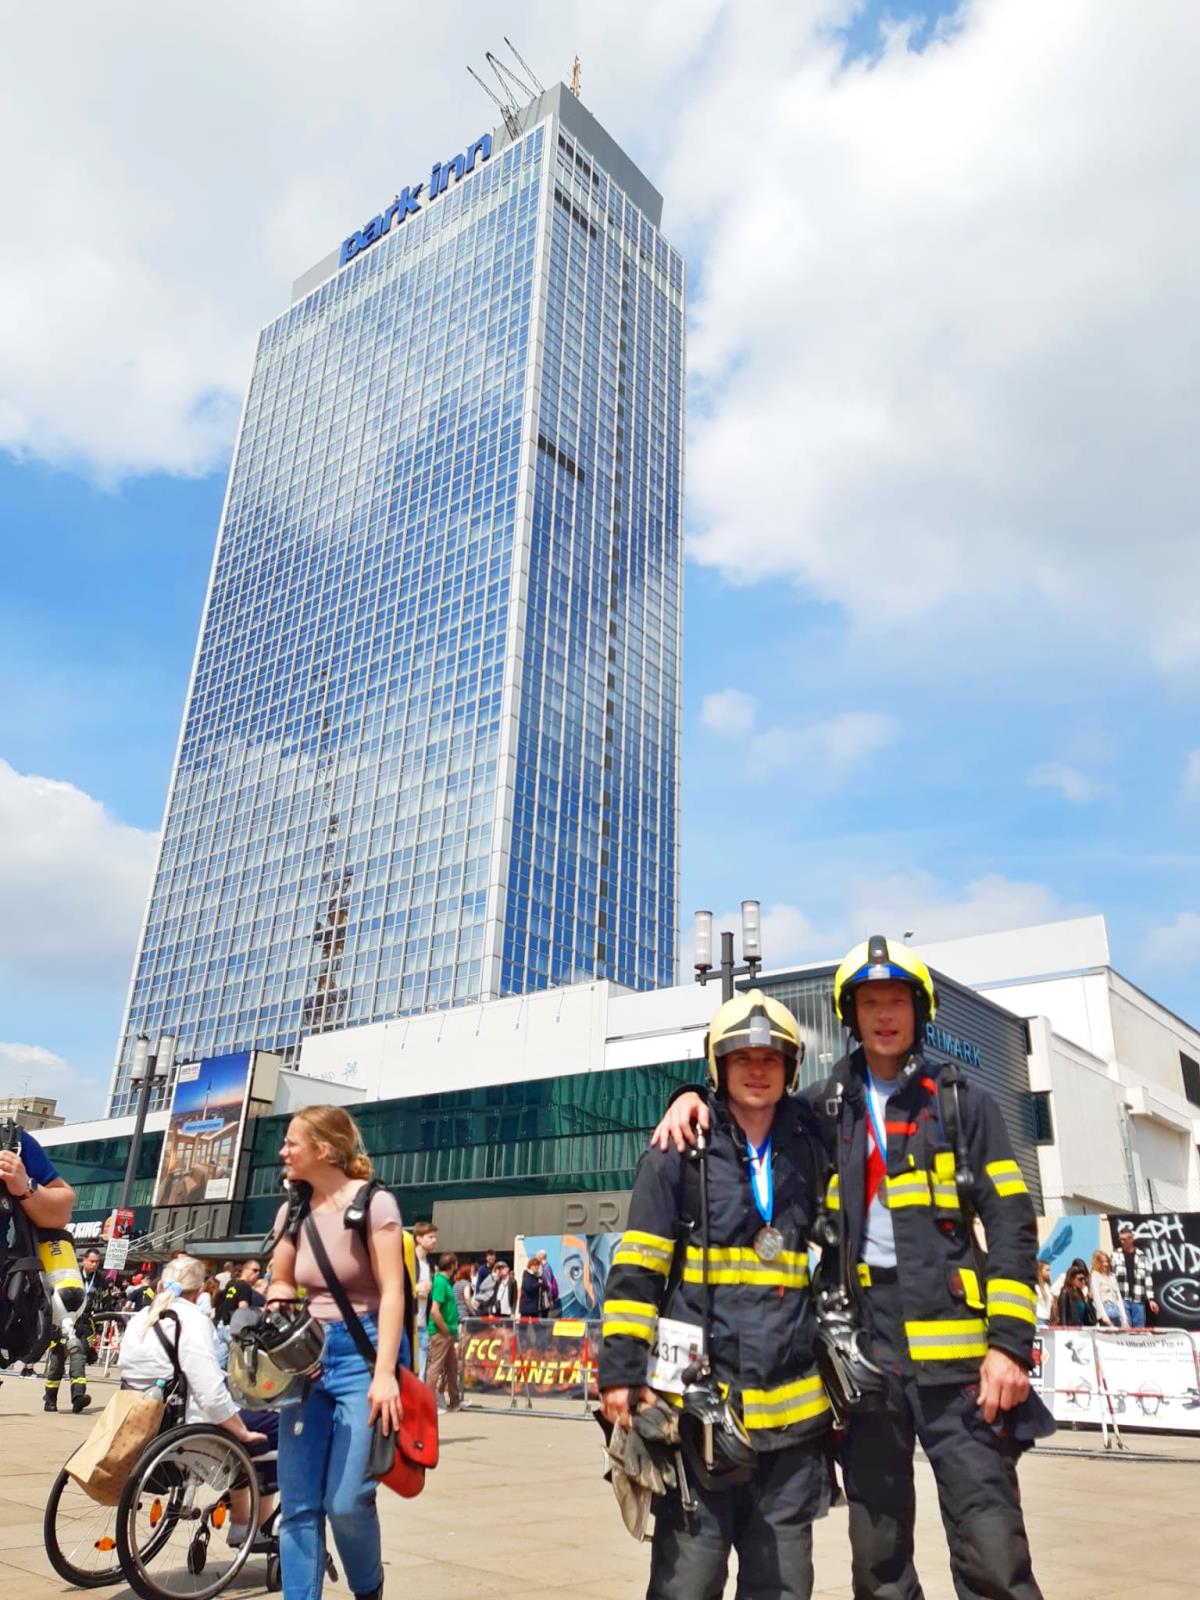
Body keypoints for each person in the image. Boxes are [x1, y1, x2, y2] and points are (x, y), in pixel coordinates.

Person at [654, 936, 1045, 1600]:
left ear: (920, 1011)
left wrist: (1008, 1346)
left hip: (962, 1366)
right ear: (851, 1015)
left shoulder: (962, 1104)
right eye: (870, 1003)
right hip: (864, 1363)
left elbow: (1011, 1224)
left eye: (896, 1000)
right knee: (879, 1558)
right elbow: (750, 1107)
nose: (884, 1015)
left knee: (990, 1547)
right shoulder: (820, 1110)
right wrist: (692, 1093)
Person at [602, 990, 831, 1599]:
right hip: (694, 1419)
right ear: (718, 1067)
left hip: (791, 1429)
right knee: (687, 1586)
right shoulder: (678, 1151)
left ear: (791, 1068)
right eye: (742, 1058)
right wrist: (620, 1374)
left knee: (783, 1589)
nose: (758, 1070)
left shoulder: (813, 1147)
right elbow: (638, 1268)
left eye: (772, 1058)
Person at [264, 1105, 405, 1600]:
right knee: (299, 1504)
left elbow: (393, 1292)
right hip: (304, 1354)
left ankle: (369, 1590)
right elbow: (281, 1276)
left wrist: (385, 1373)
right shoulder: (293, 1211)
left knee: (347, 1501)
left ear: (323, 1150)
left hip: (362, 1351)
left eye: (291, 1143)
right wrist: (278, 1293)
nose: (283, 1151)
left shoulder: (374, 1204)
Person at [118, 1254, 273, 1546]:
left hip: (142, 1414)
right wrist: (241, 1430)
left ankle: (242, 1511)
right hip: (184, 1422)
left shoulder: (142, 1316)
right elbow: (210, 1391)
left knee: (246, 1424)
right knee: (270, 1429)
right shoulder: (193, 1321)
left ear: (162, 1283)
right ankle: (249, 1525)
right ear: (200, 1291)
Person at [43, 1245, 103, 1414]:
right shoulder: (71, 1274)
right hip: (61, 1323)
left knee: (79, 1361)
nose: (94, 1265)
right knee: (57, 1362)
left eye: (97, 1262)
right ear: (84, 1260)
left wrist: (93, 1341)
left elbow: (102, 1306)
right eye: (91, 1261)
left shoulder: (100, 1281)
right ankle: (50, 1399)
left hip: (83, 1325)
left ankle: (78, 1398)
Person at [427, 1251, 461, 1411]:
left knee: (452, 1367)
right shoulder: (441, 1282)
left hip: (447, 1332)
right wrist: (446, 1329)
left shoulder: (445, 1282)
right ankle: (429, 1403)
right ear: (452, 1265)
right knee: (436, 1367)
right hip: (442, 1332)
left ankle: (455, 1401)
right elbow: (435, 1310)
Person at [1110, 1224, 1158, 1327]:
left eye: (1124, 1239)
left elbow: (1147, 1278)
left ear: (1131, 1239)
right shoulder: (1115, 1255)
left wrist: (1151, 1299)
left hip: (1138, 1297)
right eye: (1121, 1239)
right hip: (1122, 1297)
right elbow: (1111, 1276)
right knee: (1125, 1327)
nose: (1122, 1242)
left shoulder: (1141, 1256)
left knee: (1139, 1329)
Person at [411, 1220, 438, 1380]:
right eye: (430, 1237)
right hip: (409, 1325)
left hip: (422, 1325)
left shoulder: (429, 1265)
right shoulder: (408, 1260)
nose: (434, 1240)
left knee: (421, 1375)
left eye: (435, 1237)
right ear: (419, 1239)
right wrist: (416, 1289)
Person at [1090, 1250, 1128, 1329]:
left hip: (1116, 1311)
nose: (1106, 1264)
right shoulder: (1095, 1276)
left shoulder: (1112, 1276)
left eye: (1107, 1261)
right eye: (1103, 1262)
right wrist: (1103, 1316)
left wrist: (1124, 1318)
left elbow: (1118, 1298)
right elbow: (1097, 1298)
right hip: (1105, 1311)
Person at [1052, 1260, 1097, 1326]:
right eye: (1080, 1279)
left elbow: (1090, 1319)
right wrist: (1065, 1331)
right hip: (1071, 1331)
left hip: (1082, 1330)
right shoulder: (1065, 1292)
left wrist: (1089, 1301)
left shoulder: (1080, 1294)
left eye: (1084, 1279)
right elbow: (1063, 1317)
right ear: (1072, 1279)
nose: (1083, 1281)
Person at [536, 1249, 562, 1315]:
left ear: (541, 1257)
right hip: (545, 1299)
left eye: (537, 1256)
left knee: (545, 1318)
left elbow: (548, 1284)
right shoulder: (545, 1267)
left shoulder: (546, 1268)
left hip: (546, 1299)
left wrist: (550, 1299)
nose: (536, 1258)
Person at [1034, 1260, 1054, 1327]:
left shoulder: (1048, 1286)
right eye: (1047, 1270)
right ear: (1040, 1271)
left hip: (1047, 1320)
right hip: (1038, 1319)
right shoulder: (1036, 1286)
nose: (1049, 1272)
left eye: (1050, 1270)